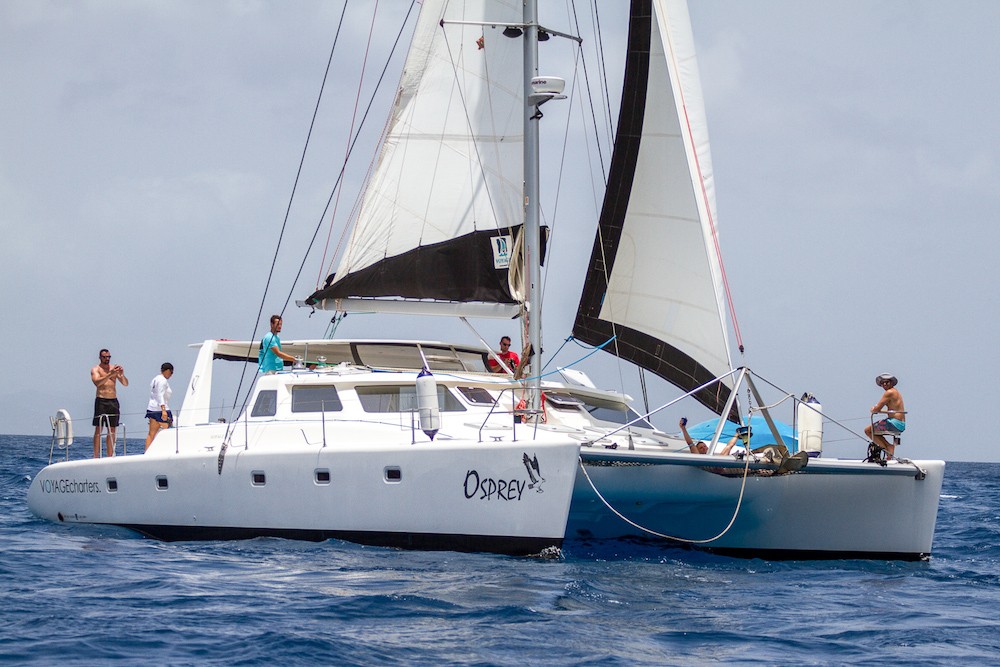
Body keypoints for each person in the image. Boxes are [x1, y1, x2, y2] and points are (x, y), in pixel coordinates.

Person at [91, 348, 129, 458]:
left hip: (113, 400)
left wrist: (121, 374)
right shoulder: (96, 369)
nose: (107, 359)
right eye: (104, 357)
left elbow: (125, 383)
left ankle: (109, 454)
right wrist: (109, 374)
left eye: (108, 357)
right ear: (100, 357)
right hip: (101, 400)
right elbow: (97, 383)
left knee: (112, 429)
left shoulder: (114, 369)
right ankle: (96, 455)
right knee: (99, 428)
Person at [865, 373, 906, 458]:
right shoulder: (896, 392)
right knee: (875, 431)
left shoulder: (889, 392)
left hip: (894, 423)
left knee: (868, 430)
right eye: (882, 383)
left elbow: (877, 408)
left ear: (891, 383)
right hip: (901, 424)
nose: (884, 384)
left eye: (886, 382)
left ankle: (887, 447)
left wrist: (874, 409)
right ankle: (888, 452)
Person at [145, 363, 174, 450]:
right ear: (167, 370)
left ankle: (147, 454)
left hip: (152, 409)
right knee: (169, 432)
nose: (171, 375)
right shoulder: (162, 380)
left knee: (151, 434)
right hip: (161, 410)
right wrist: (163, 410)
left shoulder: (155, 379)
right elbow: (159, 395)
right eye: (171, 372)